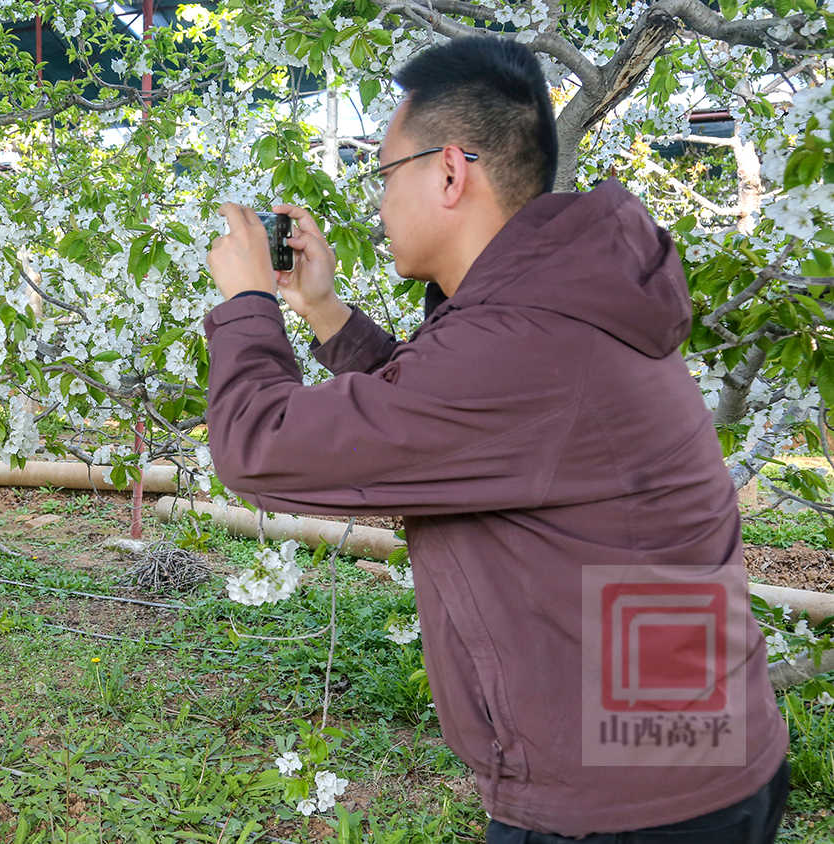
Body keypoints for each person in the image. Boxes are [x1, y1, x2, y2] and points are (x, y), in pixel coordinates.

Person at [202, 36, 789, 843]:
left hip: (628, 811)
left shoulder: (524, 345)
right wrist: (324, 313)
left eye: (383, 174)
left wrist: (244, 305)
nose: (377, 204)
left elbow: (254, 444)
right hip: (680, 758)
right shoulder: (562, 303)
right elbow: (443, 416)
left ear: (449, 171)